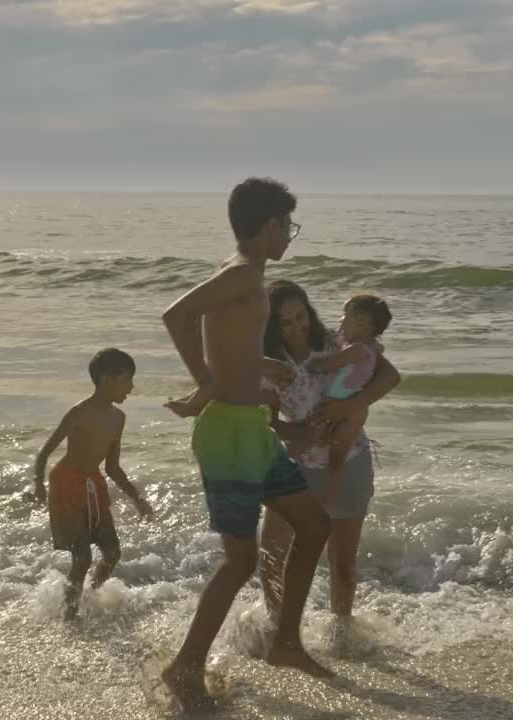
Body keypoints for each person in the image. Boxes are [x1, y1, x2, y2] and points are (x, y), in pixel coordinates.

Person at [160, 177, 332, 709]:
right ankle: (184, 665)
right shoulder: (239, 273)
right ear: (271, 226)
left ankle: (285, 642)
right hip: (228, 431)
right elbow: (177, 316)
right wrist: (206, 383)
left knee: (314, 524)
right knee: (239, 560)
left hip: (251, 429)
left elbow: (226, 346)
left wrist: (263, 367)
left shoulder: (248, 278)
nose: (290, 237)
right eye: (289, 227)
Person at [259, 281, 400, 647]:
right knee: (271, 556)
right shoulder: (269, 366)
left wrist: (350, 406)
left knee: (343, 566)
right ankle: (281, 633)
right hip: (297, 464)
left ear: (309, 312)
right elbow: (267, 424)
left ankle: (342, 638)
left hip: (348, 459)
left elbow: (389, 377)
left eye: (300, 316)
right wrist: (299, 432)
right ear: (271, 325)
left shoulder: (336, 343)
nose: (295, 326)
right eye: (284, 321)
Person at [32, 348, 154, 619]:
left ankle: (88, 596)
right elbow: (45, 451)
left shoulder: (118, 418)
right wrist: (38, 484)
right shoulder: (79, 412)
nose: (131, 387)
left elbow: (112, 467)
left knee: (112, 552)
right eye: (127, 379)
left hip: (93, 485)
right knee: (82, 558)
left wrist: (137, 498)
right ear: (106, 379)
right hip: (66, 484)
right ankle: (70, 613)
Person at [307, 294, 392, 506]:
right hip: (348, 409)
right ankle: (325, 499)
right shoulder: (370, 346)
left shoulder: (357, 350)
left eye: (345, 316)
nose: (340, 321)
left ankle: (326, 502)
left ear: (362, 321)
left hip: (346, 409)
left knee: (336, 461)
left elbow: (331, 364)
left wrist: (309, 363)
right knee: (331, 451)